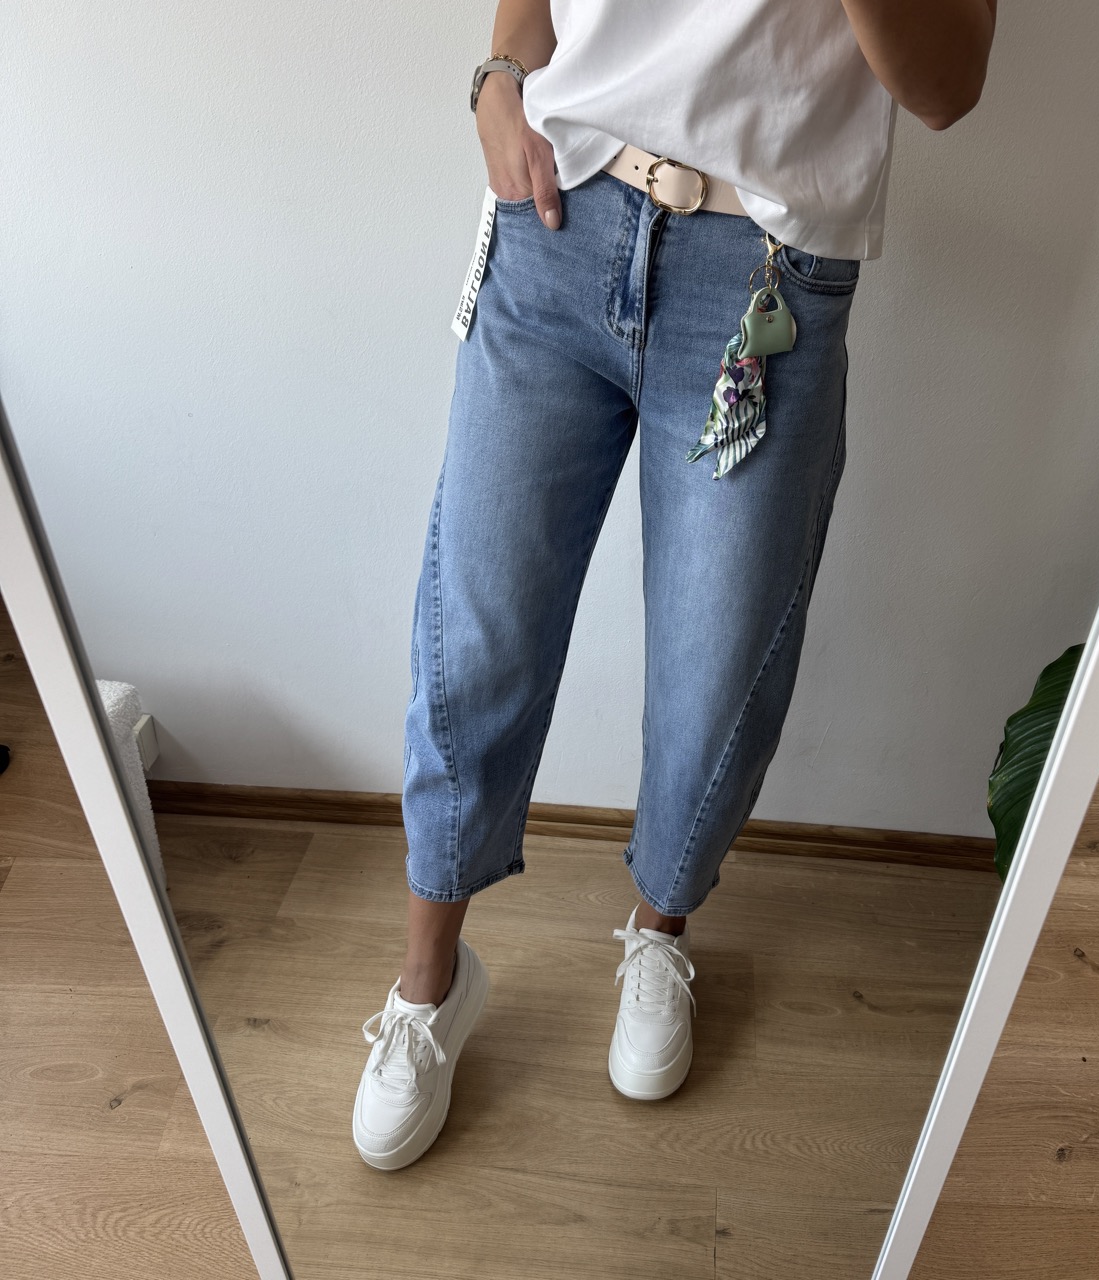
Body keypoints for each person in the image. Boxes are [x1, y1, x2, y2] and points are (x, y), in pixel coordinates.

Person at [353, 0, 997, 1170]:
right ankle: (427, 979)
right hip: (557, 215)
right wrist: (498, 74)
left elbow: (946, 84)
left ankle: (660, 928)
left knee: (714, 664)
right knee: (476, 636)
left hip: (762, 276)